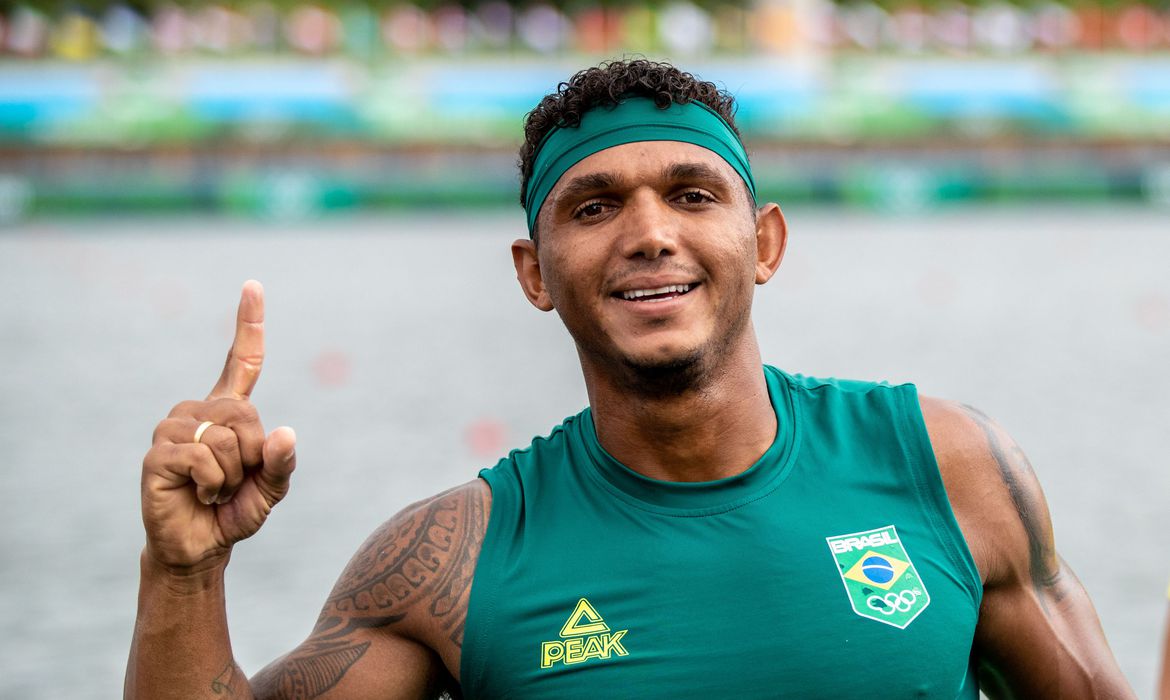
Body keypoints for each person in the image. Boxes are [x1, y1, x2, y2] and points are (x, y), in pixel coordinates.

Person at [125, 59, 1135, 699]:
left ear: (764, 242)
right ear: (534, 273)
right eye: (595, 206)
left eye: (692, 195)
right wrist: (183, 572)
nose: (650, 234)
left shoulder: (946, 467)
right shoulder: (451, 562)